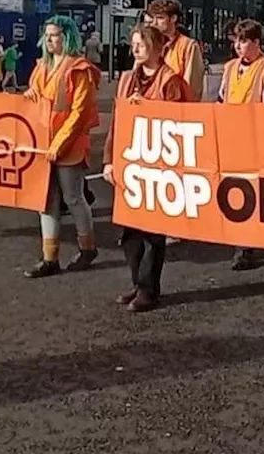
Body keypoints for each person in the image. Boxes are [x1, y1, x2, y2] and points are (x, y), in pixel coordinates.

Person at [102, 24, 189, 312]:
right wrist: (108, 160)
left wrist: (149, 108)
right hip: (131, 162)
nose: (135, 49)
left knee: (153, 233)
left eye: (140, 44)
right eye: (134, 44)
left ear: (155, 46)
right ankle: (137, 282)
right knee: (130, 231)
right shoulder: (127, 79)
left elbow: (181, 121)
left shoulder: (171, 80)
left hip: (158, 165)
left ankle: (149, 289)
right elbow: (117, 123)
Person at [22, 15, 102, 278]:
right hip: (43, 143)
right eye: (47, 34)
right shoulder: (42, 66)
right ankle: (49, 257)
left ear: (67, 36)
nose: (50, 39)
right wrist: (28, 95)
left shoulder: (79, 69)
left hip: (69, 144)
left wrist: (59, 143)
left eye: (55, 34)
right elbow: (34, 99)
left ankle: (87, 247)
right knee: (46, 201)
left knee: (73, 198)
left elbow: (79, 113)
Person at [218, 18, 264, 270]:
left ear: (256, 43)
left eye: (243, 41)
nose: (238, 46)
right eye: (236, 40)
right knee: (235, 188)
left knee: (251, 192)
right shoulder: (230, 67)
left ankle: (245, 246)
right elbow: (223, 99)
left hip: (255, 139)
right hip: (233, 137)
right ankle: (243, 241)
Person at [144, 0, 205, 101]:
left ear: (173, 18)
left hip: (176, 106)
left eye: (160, 18)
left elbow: (191, 86)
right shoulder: (151, 44)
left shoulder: (188, 45)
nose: (155, 23)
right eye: (153, 18)